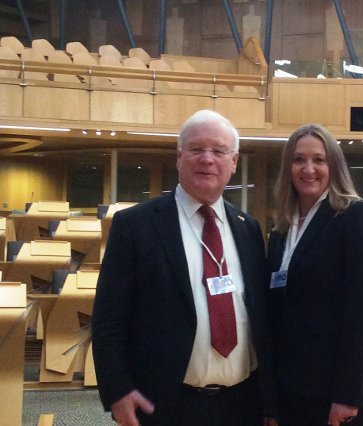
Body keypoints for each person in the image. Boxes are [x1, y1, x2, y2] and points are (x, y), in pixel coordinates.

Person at [92, 110, 277, 426]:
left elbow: (260, 318)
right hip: (165, 404)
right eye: (196, 149)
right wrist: (117, 390)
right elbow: (109, 318)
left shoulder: (248, 228)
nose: (207, 159)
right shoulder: (135, 225)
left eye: (218, 151)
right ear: (179, 157)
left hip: (243, 404)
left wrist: (270, 401)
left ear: (233, 162)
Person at [267, 124, 363, 426]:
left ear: (334, 165)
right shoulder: (282, 228)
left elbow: (362, 313)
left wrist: (347, 395)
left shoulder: (356, 216)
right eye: (299, 160)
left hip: (338, 388)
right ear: (288, 167)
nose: (309, 169)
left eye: (319, 160)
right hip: (293, 385)